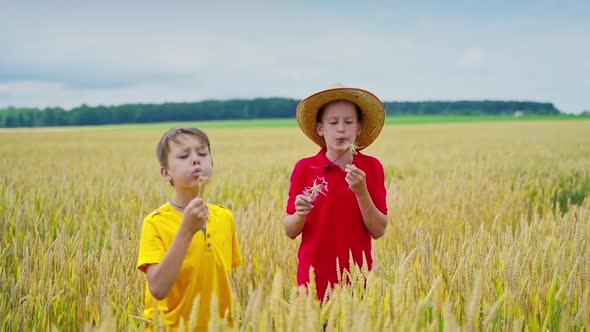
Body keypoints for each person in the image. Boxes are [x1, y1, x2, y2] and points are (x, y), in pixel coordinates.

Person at [283, 86, 388, 301]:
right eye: (333, 122)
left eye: (348, 122)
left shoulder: (371, 168)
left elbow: (378, 229)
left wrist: (361, 191)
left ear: (359, 128)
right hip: (313, 280)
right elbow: (290, 230)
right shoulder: (305, 169)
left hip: (357, 280)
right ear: (320, 128)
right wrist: (300, 214)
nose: (341, 129)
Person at [137, 127, 243, 331]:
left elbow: (227, 279)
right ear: (165, 172)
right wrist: (186, 229)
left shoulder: (224, 217)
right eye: (184, 155)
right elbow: (158, 288)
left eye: (202, 154)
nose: (196, 160)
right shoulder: (155, 223)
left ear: (211, 163)